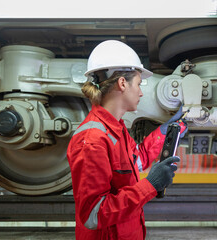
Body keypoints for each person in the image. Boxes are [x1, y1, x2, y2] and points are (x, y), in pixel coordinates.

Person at [67, 40, 187, 239]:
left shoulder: (115, 128)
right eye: (139, 84)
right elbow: (94, 215)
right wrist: (150, 184)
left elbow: (136, 159)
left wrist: (165, 131)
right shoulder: (91, 140)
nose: (140, 92)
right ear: (123, 83)